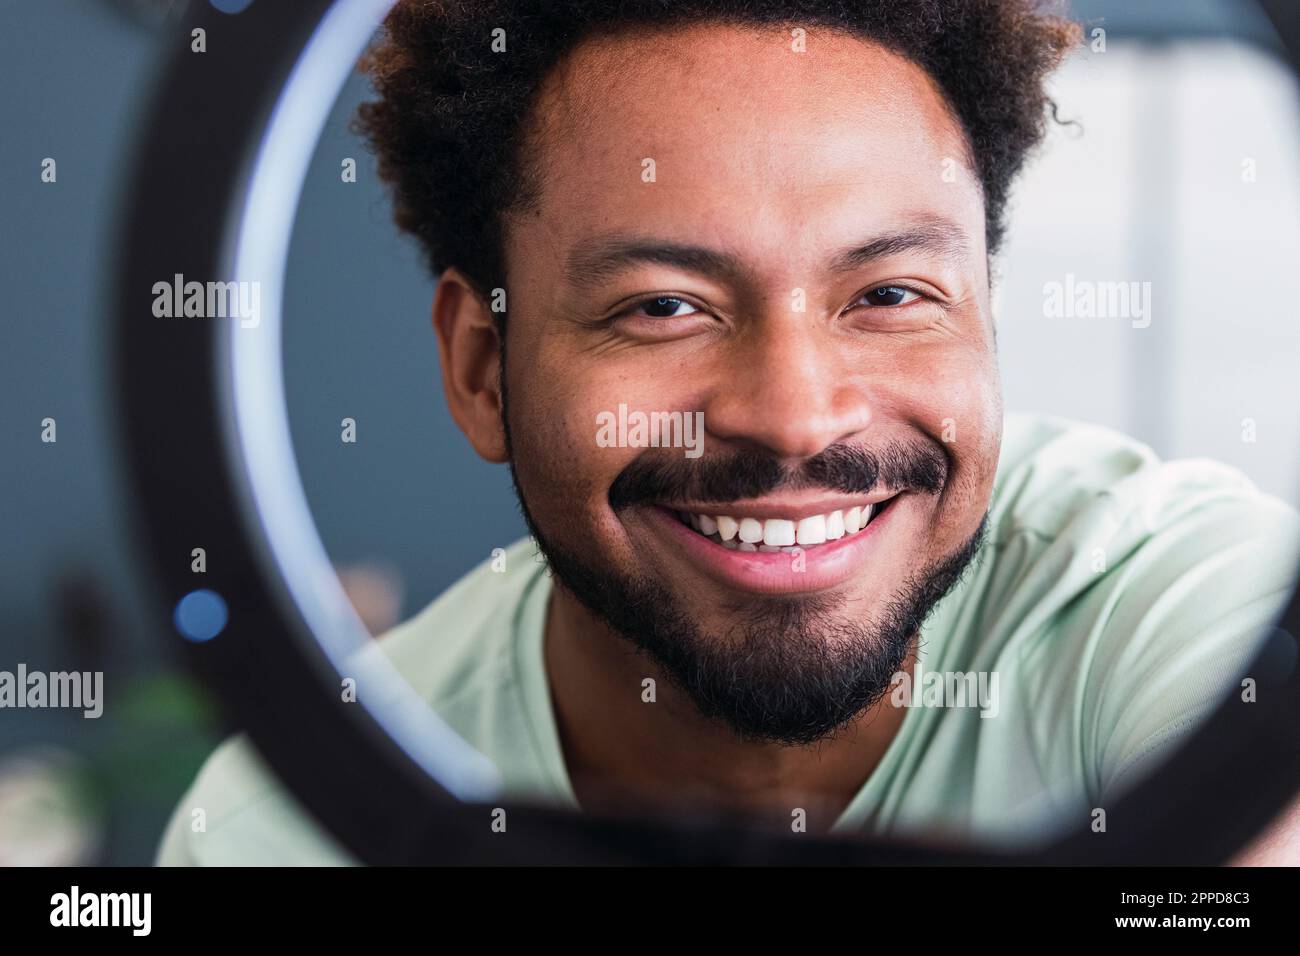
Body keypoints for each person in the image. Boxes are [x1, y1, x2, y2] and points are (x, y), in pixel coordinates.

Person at [159, 0, 1300, 865]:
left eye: (891, 293)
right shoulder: (269, 835)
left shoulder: (1176, 595)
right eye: (664, 306)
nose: (796, 415)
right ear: (481, 367)